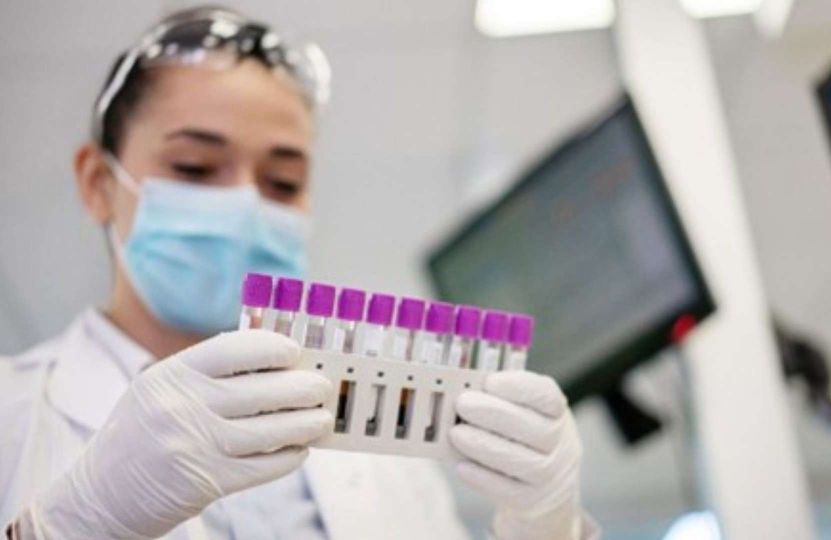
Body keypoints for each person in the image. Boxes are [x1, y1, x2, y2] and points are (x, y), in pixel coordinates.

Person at [0, 6, 595, 540]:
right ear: (97, 183)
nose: (246, 205)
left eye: (282, 182)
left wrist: (546, 529)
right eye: (196, 166)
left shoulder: (380, 452)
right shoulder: (15, 413)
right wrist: (76, 525)